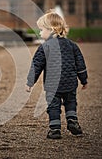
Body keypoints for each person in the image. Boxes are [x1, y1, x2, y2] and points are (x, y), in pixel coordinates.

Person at [25, 10, 88, 139]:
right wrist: (84, 80)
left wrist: (30, 82)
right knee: (71, 102)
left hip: (52, 85)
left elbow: (36, 65)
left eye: (41, 30)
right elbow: (80, 64)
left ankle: (55, 129)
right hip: (70, 82)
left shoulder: (44, 47)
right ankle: (72, 120)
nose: (40, 33)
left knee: (53, 106)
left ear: (51, 29)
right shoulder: (72, 45)